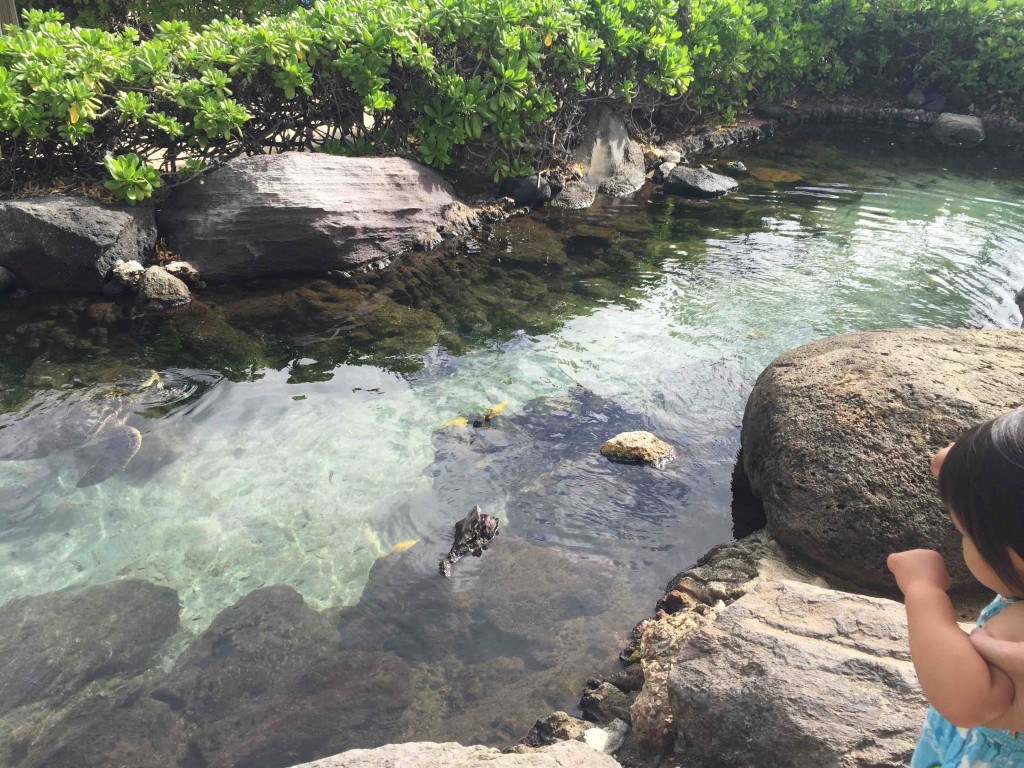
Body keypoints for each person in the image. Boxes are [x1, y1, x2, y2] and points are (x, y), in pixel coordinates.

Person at [889, 409, 1024, 767]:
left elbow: (966, 701)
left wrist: (923, 591)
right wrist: (966, 470)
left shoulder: (1017, 631)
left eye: (964, 534)